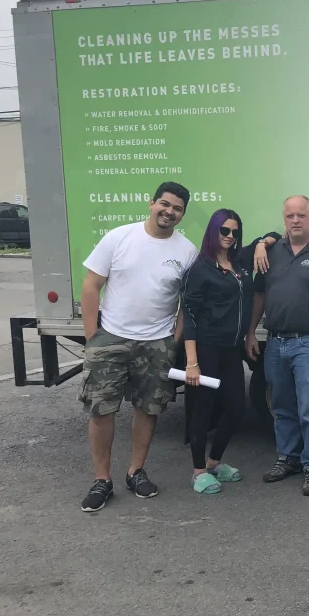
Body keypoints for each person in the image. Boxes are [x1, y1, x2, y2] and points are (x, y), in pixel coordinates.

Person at [78, 182, 198, 512]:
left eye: (177, 208)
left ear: (182, 214)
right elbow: (91, 286)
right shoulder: (119, 238)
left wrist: (172, 342)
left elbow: (187, 305)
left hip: (156, 343)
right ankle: (102, 480)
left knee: (149, 409)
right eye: (165, 204)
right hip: (111, 338)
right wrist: (93, 337)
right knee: (102, 410)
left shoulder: (186, 251)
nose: (169, 211)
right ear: (151, 203)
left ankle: (136, 471)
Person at [246, 195, 309, 497]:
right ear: (284, 219)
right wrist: (252, 332)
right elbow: (259, 296)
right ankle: (288, 458)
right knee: (281, 405)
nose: (295, 220)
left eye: (301, 215)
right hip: (275, 341)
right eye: (290, 215)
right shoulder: (270, 252)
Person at [181, 210, 278, 495]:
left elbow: (277, 235)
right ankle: (198, 471)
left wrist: (262, 243)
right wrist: (191, 362)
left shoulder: (239, 262)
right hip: (206, 349)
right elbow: (190, 315)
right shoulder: (200, 269)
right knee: (203, 410)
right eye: (224, 231)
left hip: (233, 349)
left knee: (235, 408)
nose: (230, 237)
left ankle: (214, 462)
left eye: (235, 232)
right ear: (213, 231)